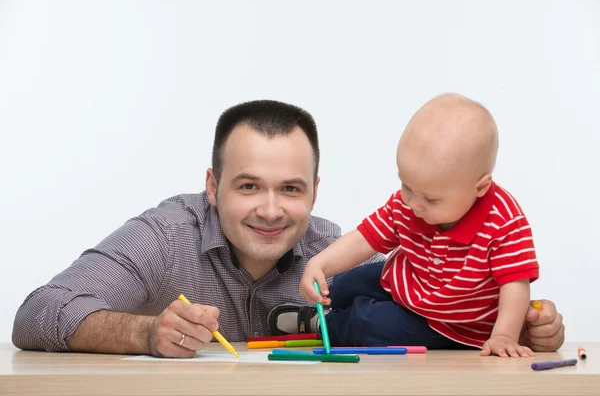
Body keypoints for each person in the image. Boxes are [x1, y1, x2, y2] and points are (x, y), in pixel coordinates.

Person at [13, 100, 565, 358]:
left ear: (316, 190)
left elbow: (436, 316)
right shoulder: (163, 236)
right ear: (212, 185)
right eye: (249, 186)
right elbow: (37, 312)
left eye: (292, 189)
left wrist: (521, 330)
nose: (272, 210)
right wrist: (142, 333)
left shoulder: (330, 246)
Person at [299, 94, 554, 357]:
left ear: (479, 187)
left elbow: (515, 284)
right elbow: (365, 238)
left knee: (371, 324)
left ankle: (322, 325)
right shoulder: (410, 201)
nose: (413, 204)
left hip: (450, 322)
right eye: (406, 186)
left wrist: (504, 335)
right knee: (344, 282)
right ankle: (321, 310)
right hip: (406, 280)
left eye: (431, 199)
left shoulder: (503, 221)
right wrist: (320, 264)